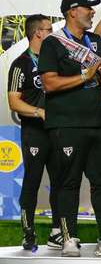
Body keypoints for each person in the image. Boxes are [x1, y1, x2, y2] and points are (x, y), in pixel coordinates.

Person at [39, 0, 101, 257]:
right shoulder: (52, 43)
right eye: (88, 8)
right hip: (66, 124)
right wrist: (84, 76)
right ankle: (68, 238)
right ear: (72, 11)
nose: (92, 11)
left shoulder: (95, 42)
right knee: (68, 182)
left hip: (96, 124)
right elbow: (49, 83)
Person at [7, 14, 60, 251]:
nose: (53, 33)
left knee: (61, 182)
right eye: (49, 29)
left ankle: (59, 231)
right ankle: (28, 233)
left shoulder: (55, 60)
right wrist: (39, 112)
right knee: (32, 182)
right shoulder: (21, 64)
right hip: (35, 133)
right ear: (38, 32)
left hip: (58, 132)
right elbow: (13, 102)